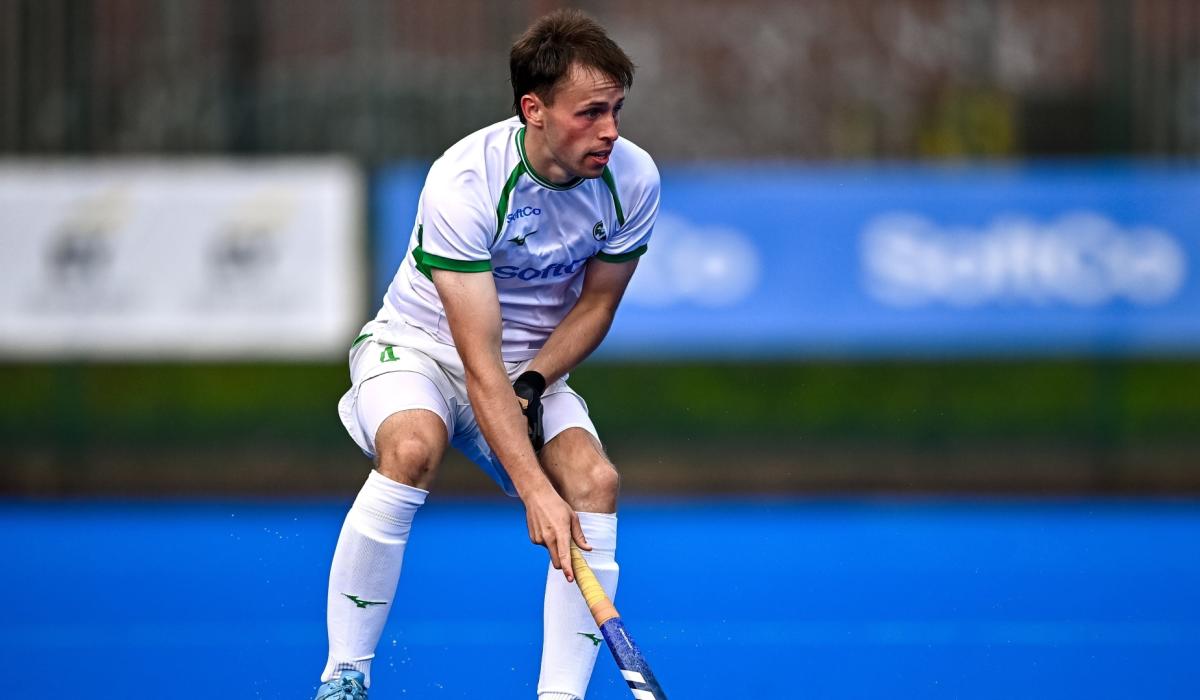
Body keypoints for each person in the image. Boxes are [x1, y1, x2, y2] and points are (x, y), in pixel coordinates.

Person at [314, 9, 660, 700]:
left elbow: (596, 307)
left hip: (527, 364)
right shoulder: (466, 182)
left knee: (593, 483)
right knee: (412, 448)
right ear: (534, 110)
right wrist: (534, 491)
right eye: (590, 113)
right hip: (420, 348)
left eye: (617, 110)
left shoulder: (633, 179)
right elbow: (476, 361)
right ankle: (345, 676)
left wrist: (535, 381)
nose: (611, 131)